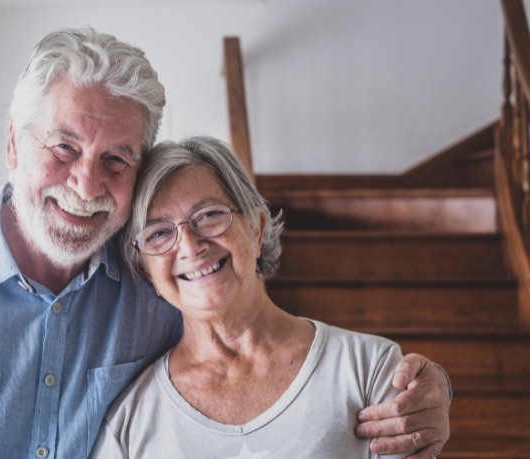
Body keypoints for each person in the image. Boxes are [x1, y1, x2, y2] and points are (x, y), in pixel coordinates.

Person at [0, 27, 451, 458]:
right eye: (63, 147)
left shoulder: (155, 287)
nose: (86, 182)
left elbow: (285, 357)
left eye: (117, 159)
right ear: (13, 144)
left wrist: (435, 388)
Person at [90, 136, 432, 459]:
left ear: (256, 228)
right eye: (159, 233)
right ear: (146, 268)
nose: (191, 246)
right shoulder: (129, 425)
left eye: (209, 215)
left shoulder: (368, 370)